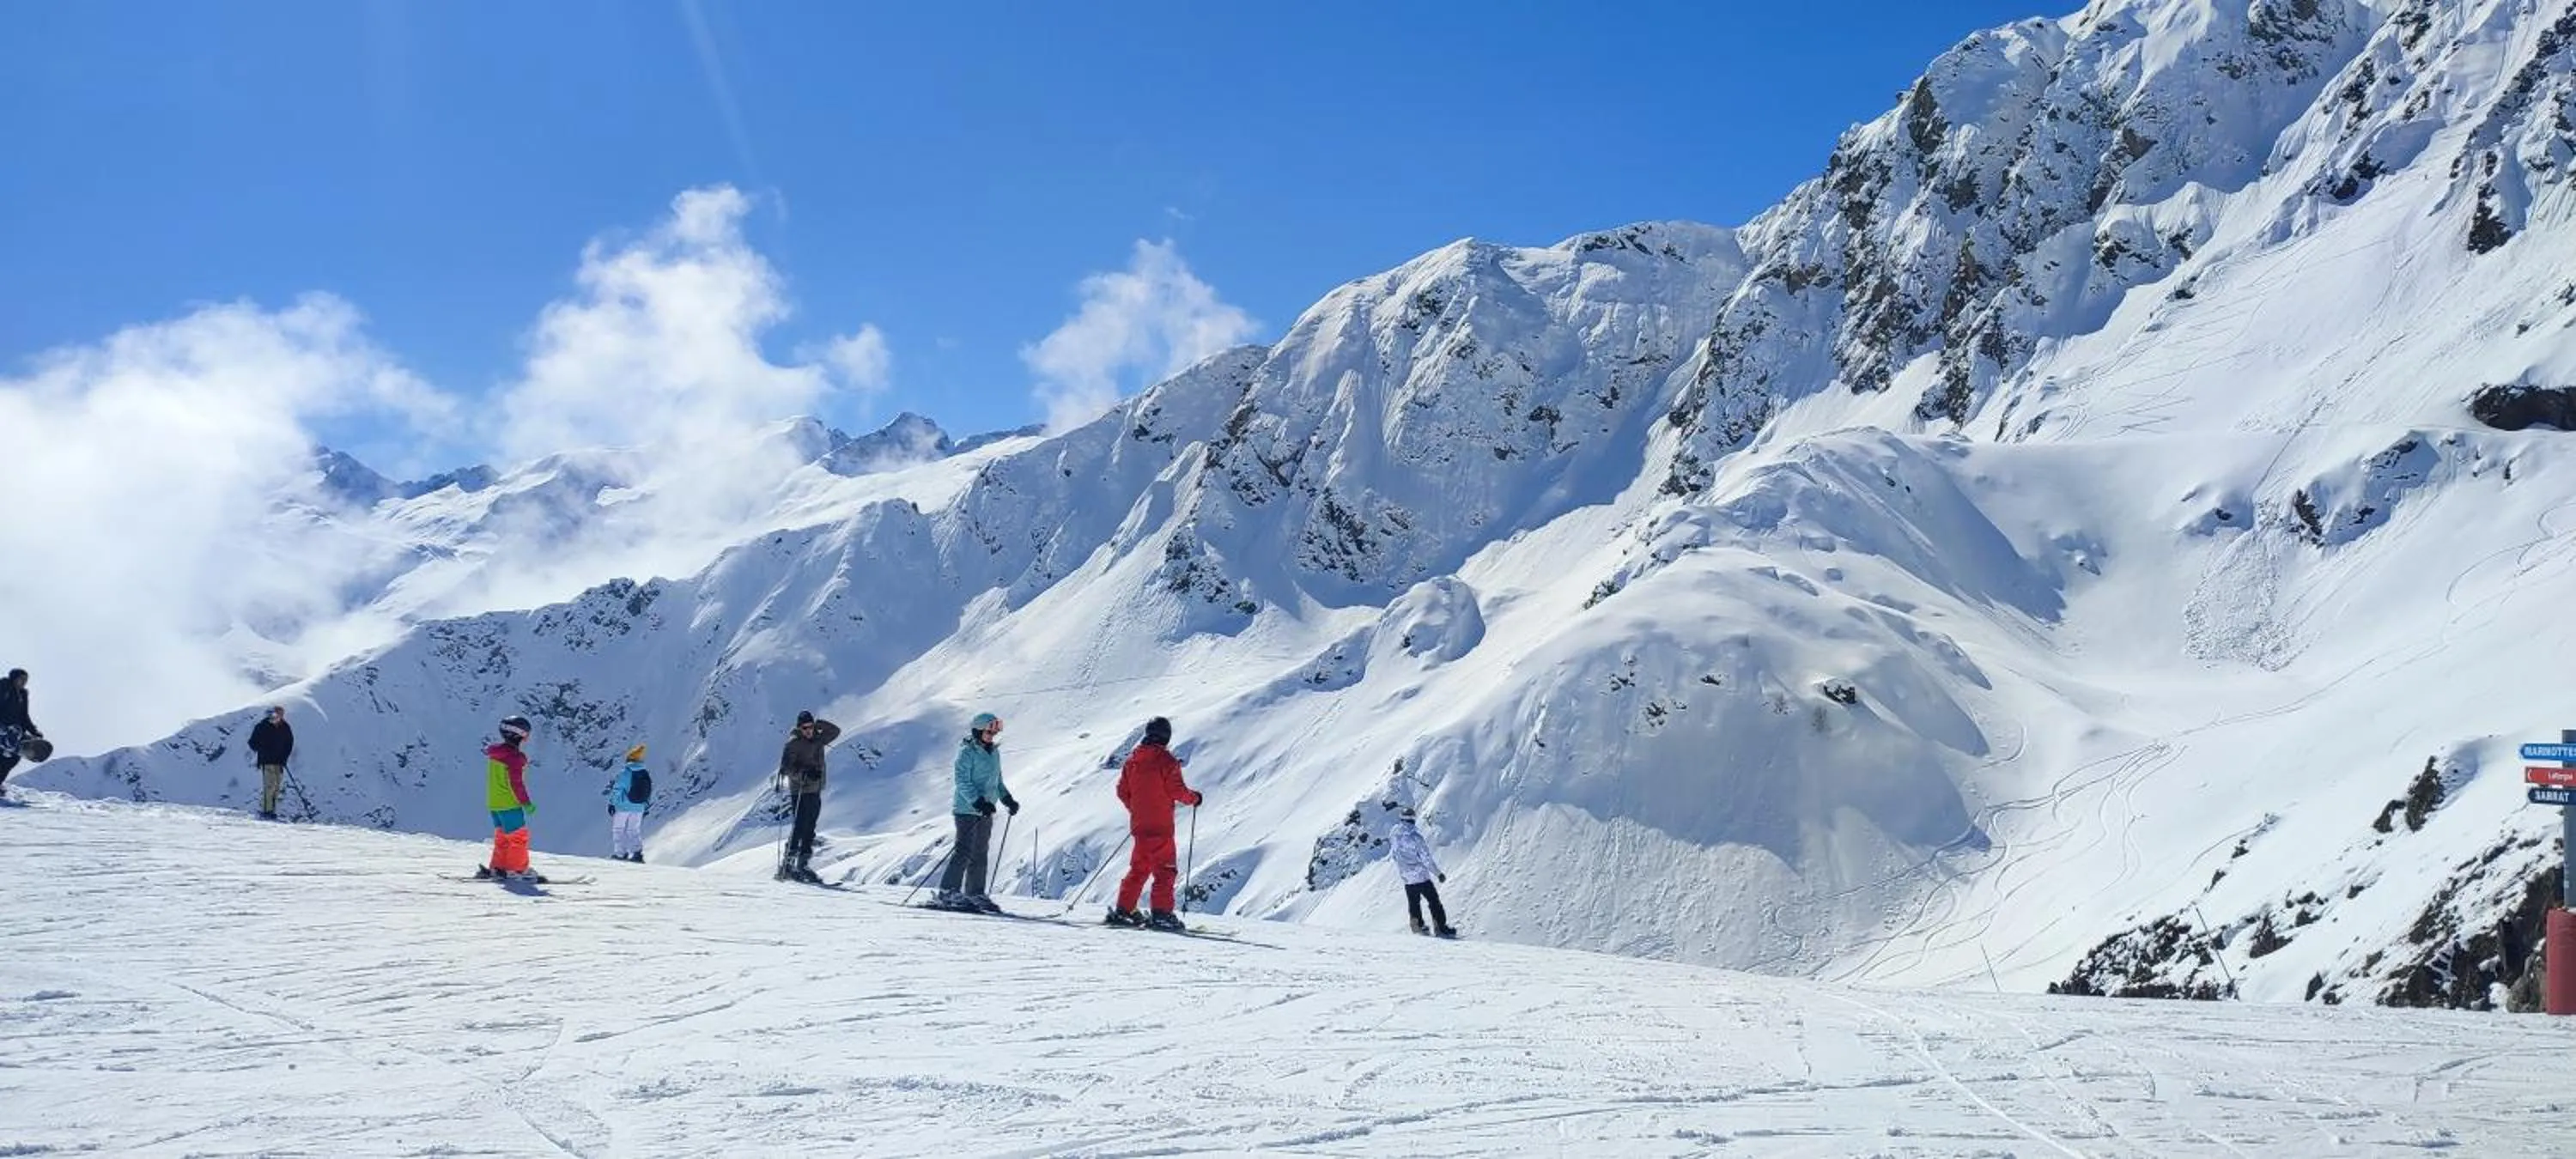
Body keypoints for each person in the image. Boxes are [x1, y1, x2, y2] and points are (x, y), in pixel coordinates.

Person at [1108, 716, 1201, 931]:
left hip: (1140, 826)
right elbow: (1177, 791)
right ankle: (1161, 914)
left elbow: (1122, 791)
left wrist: (1137, 809)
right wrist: (1194, 798)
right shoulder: (1166, 761)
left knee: (1139, 869)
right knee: (1165, 871)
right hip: (1161, 827)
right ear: (1166, 737)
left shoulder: (1132, 761)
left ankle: (1124, 910)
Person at [934, 712, 1018, 913]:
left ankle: (975, 893)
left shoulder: (994, 753)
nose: (991, 736)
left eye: (993, 732)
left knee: (980, 853)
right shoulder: (967, 753)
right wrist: (978, 802)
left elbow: (997, 781)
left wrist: (1007, 798)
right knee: (964, 851)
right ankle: (948, 892)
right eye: (988, 732)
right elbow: (962, 782)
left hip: (986, 810)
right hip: (966, 810)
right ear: (977, 731)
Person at [776, 710, 841, 883]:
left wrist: (820, 724)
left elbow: (835, 732)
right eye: (805, 728)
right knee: (799, 825)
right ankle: (787, 865)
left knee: (810, 826)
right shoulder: (793, 744)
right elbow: (787, 768)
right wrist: (803, 775)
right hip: (800, 790)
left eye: (811, 727)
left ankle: (802, 865)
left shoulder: (818, 739)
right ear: (799, 728)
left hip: (815, 789)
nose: (808, 730)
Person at [477, 714, 538, 881]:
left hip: (494, 804)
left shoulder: (495, 754)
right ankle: (517, 869)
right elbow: (516, 783)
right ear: (520, 735)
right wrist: (526, 803)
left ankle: (499, 867)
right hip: (509, 804)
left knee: (502, 837)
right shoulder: (514, 758)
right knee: (518, 837)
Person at [1388, 807, 1457, 938]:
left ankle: (1417, 925)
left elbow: (1395, 854)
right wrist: (1438, 874)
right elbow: (1427, 859)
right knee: (1433, 901)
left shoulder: (1393, 834)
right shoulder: (1416, 837)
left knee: (1413, 902)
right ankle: (1440, 927)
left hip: (1406, 877)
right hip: (1421, 876)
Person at [604, 743, 652, 862]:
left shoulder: (626, 773)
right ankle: (637, 853)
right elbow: (648, 792)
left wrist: (612, 803)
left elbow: (617, 790)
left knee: (619, 829)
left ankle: (620, 854)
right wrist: (644, 807)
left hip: (623, 806)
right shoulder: (645, 774)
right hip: (639, 808)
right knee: (633, 830)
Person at [246, 706, 295, 820]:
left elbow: (289, 743)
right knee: (269, 786)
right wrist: (262, 750)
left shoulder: (285, 727)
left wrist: (284, 757)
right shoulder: (262, 726)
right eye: (278, 713)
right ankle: (266, 811)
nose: (280, 716)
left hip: (279, 762)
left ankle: (271, 810)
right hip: (266, 761)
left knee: (276, 787)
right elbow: (252, 742)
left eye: (281, 714)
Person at [0, 668, 39, 797]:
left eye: (26, 680)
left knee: (13, 758)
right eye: (21, 679)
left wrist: (34, 731)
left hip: (15, 732)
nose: (24, 682)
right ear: (14, 678)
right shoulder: (4, 687)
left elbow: (24, 716)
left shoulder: (23, 694)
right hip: (2, 730)